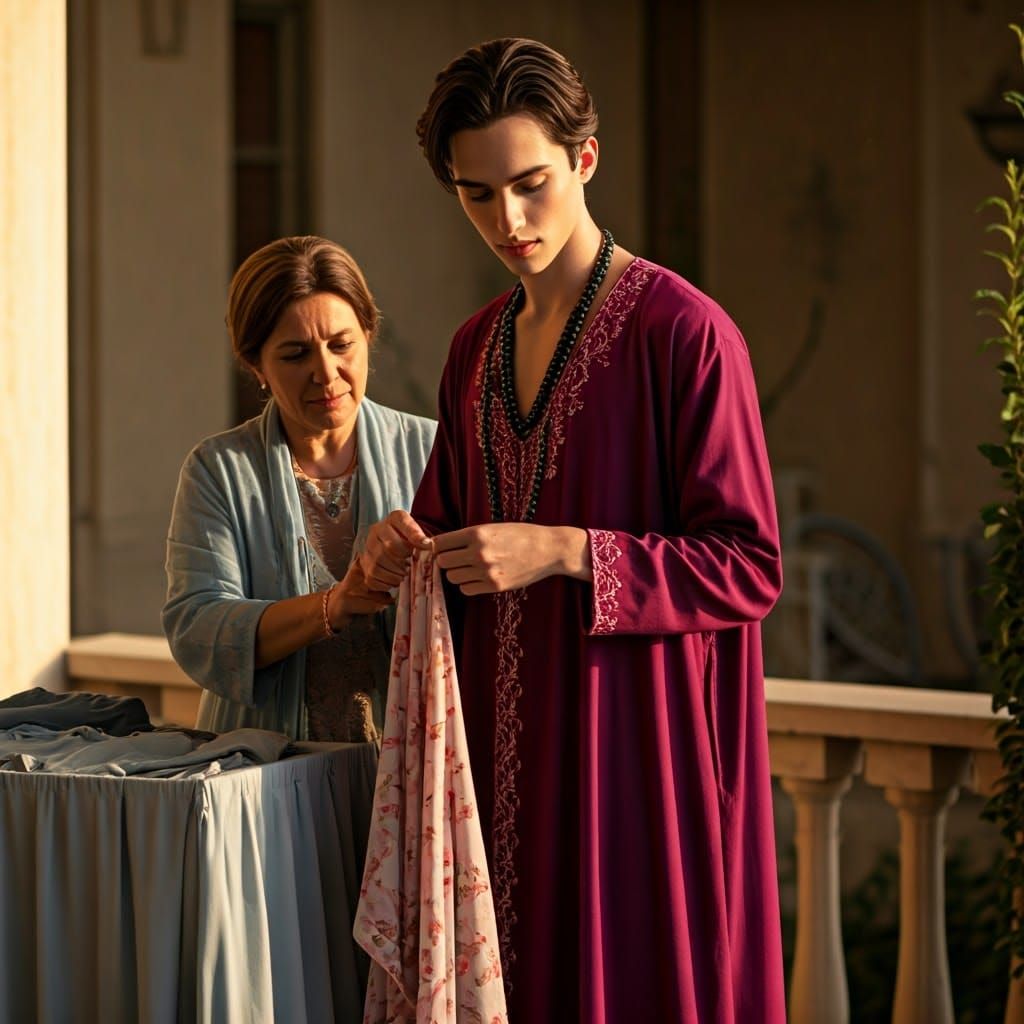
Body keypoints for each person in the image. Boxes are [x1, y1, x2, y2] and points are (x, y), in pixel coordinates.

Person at [361, 38, 786, 1022]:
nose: (507, 222)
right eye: (476, 195)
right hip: (499, 768)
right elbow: (449, 522)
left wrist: (563, 549)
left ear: (585, 161)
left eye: (530, 184)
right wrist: (401, 544)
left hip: (630, 760)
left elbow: (750, 565)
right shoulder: (474, 350)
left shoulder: (685, 335)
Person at [163, 236, 436, 741]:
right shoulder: (218, 470)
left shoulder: (431, 449)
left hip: (405, 771)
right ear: (255, 366)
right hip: (262, 771)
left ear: (369, 336)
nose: (326, 373)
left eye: (341, 345)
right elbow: (197, 627)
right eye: (295, 354)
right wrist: (333, 605)